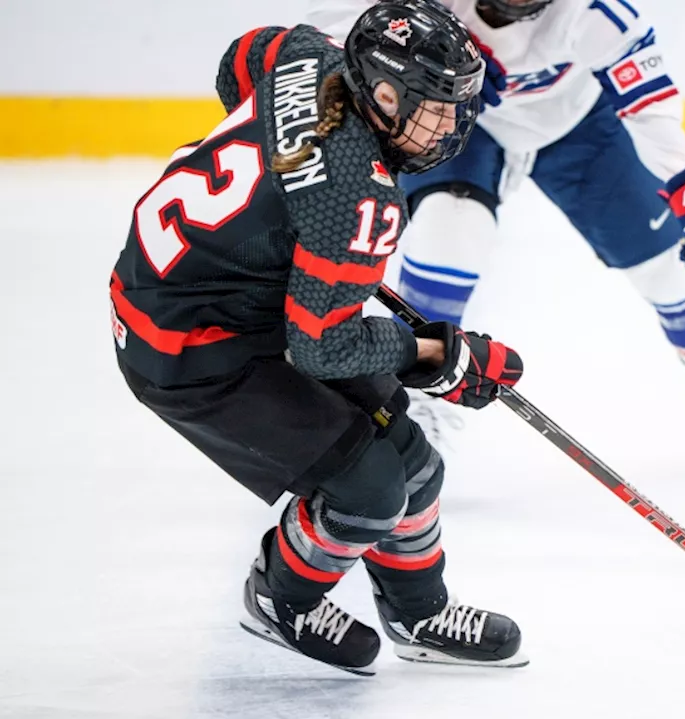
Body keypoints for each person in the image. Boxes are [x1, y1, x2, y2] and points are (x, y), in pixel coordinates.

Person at [110, 0, 528, 675]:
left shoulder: (312, 56)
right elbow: (321, 349)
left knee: (414, 460)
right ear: (384, 93)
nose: (449, 126)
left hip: (228, 299)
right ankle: (282, 597)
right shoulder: (354, 198)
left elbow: (243, 57)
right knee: (367, 489)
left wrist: (276, 212)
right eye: (434, 107)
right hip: (185, 346)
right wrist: (438, 357)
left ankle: (419, 613)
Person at [307, 0, 685, 473]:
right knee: (449, 229)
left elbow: (651, 103)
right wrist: (418, 56)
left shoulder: (591, 14)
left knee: (666, 266)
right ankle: (411, 396)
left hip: (574, 126)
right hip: (457, 118)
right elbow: (328, 34)